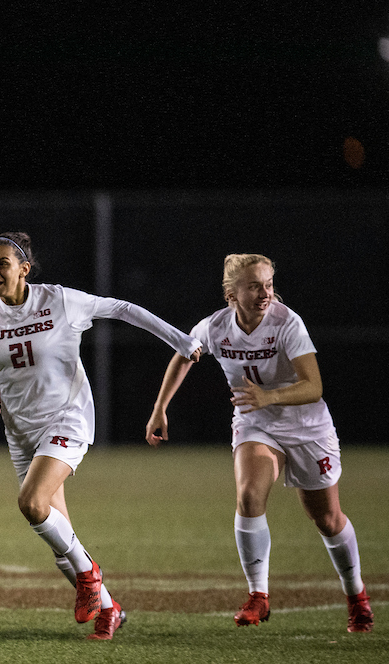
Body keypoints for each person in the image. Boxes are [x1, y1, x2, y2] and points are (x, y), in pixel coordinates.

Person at [0, 232, 202, 640]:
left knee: (32, 504)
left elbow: (121, 309)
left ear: (24, 269)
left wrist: (181, 339)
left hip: (67, 419)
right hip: (20, 431)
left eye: (1, 263)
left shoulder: (59, 301)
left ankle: (90, 574)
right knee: (58, 538)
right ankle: (109, 609)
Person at [146, 253, 373, 633]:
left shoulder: (287, 323)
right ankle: (258, 596)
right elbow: (184, 356)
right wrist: (160, 408)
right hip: (256, 423)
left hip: (307, 426)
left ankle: (357, 597)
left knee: (327, 519)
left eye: (268, 284)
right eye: (254, 286)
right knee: (249, 495)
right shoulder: (215, 326)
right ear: (231, 293)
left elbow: (314, 386)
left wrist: (269, 396)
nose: (265, 293)